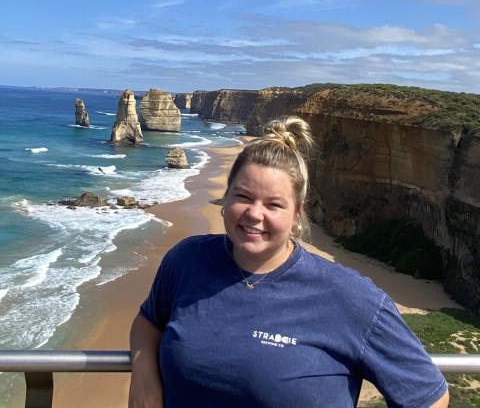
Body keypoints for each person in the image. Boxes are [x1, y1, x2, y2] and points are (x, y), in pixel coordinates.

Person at [129, 116, 449, 408]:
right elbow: (148, 322)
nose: (255, 214)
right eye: (243, 196)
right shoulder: (187, 260)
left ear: (297, 214)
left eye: (274, 204)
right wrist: (144, 378)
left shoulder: (349, 297)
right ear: (225, 199)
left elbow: (429, 395)